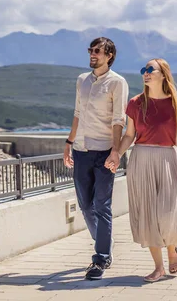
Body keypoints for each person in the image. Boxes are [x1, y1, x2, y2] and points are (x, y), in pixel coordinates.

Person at [107, 58, 177, 282]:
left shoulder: (175, 103)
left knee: (167, 213)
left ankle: (172, 248)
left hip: (167, 159)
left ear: (163, 75)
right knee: (147, 214)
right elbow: (129, 135)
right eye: (143, 70)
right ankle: (158, 267)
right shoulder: (136, 103)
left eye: (150, 70)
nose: (145, 73)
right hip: (141, 158)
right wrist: (116, 153)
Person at [64, 37, 129, 280]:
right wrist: (68, 143)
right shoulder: (82, 80)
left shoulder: (117, 83)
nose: (93, 54)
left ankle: (100, 258)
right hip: (81, 150)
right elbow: (77, 114)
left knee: (102, 206)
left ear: (109, 55)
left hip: (104, 151)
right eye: (91, 50)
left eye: (98, 51)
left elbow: (118, 120)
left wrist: (116, 151)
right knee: (84, 205)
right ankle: (105, 241)